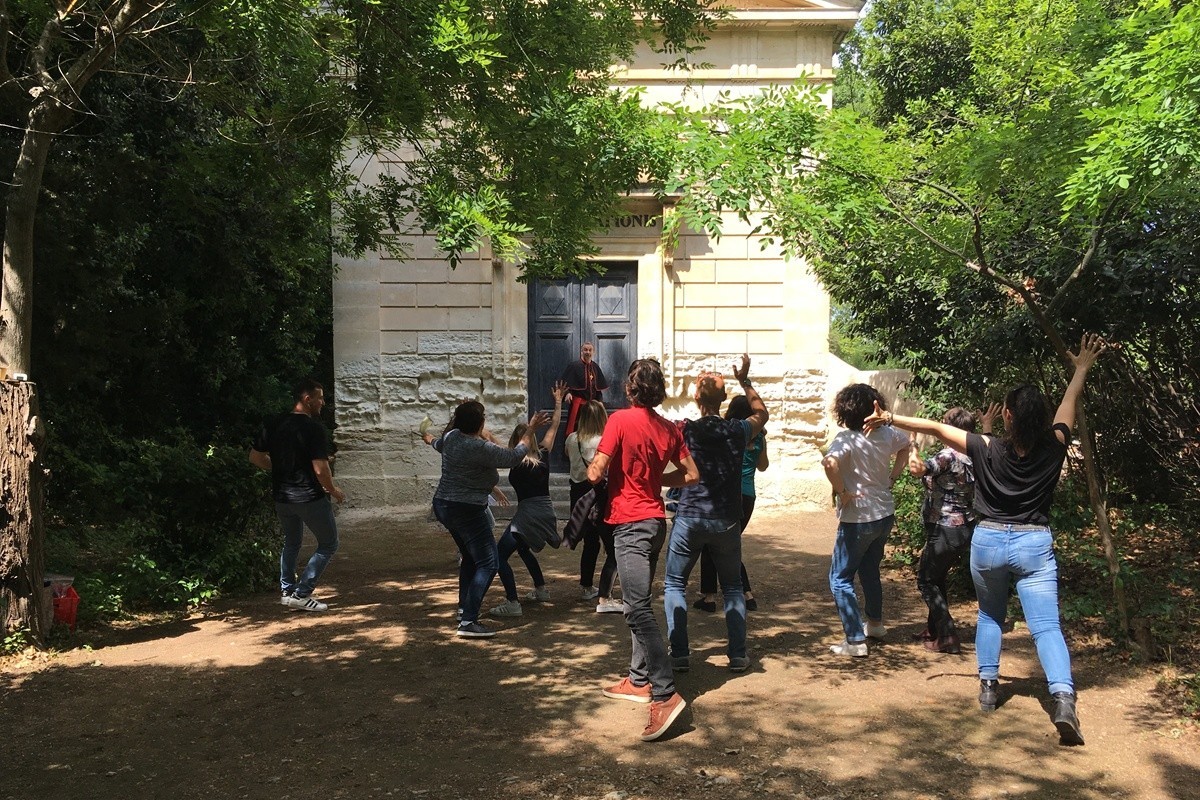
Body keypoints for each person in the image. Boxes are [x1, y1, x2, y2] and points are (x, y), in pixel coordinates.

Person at [864, 333, 1107, 746]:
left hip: (990, 541)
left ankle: (989, 689)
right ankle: (1063, 699)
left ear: (1008, 416)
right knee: (1046, 627)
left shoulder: (985, 447)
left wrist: (890, 419)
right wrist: (1081, 368)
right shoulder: (1057, 445)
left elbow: (937, 428)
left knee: (990, 616)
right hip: (1034, 543)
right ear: (1043, 419)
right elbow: (1069, 403)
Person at [587, 358, 699, 742]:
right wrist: (655, 477)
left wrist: (596, 465)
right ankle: (637, 681)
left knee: (636, 608)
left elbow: (595, 472)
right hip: (655, 524)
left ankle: (664, 694)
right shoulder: (670, 429)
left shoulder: (619, 420)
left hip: (630, 525)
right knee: (640, 601)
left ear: (629, 389)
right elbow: (691, 475)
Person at [664, 356, 769, 674]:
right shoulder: (737, 430)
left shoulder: (684, 430)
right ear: (724, 399)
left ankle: (680, 654)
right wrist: (746, 381)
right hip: (726, 518)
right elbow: (762, 414)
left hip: (690, 516)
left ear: (696, 397)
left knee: (674, 584)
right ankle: (737, 655)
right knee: (733, 587)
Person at [424, 400, 551, 638]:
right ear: (480, 424)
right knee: (489, 562)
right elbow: (514, 456)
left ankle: (464, 610)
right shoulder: (481, 448)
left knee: (472, 559)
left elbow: (437, 444)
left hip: (444, 506)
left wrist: (428, 438)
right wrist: (531, 429)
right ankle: (469, 621)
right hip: (468, 510)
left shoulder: (451, 437)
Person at [822, 384, 911, 657]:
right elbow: (908, 444)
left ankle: (855, 640)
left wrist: (842, 492)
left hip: (858, 517)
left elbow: (829, 464)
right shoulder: (888, 433)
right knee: (870, 570)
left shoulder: (846, 438)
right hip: (884, 512)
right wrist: (893, 476)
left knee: (840, 578)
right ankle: (875, 624)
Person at [250, 378, 346, 612]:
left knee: (291, 542)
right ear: (307, 399)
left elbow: (255, 457)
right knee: (329, 544)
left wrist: (281, 468)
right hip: (309, 497)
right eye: (320, 397)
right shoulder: (313, 428)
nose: (323, 402)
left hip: (282, 497)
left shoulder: (274, 423)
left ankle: (287, 591)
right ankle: (302, 594)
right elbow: (320, 469)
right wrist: (333, 490)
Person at [907, 406, 996, 653]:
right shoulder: (979, 452)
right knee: (937, 577)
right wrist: (987, 425)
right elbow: (988, 442)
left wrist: (912, 443)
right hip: (965, 527)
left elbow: (916, 470)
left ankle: (947, 635)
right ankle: (934, 628)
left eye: (944, 422)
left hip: (944, 529)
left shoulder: (948, 456)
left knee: (926, 581)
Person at [490, 383, 566, 617]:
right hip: (546, 510)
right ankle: (541, 590)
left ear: (517, 441)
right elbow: (554, 425)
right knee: (523, 549)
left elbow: (491, 441)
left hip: (528, 514)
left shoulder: (516, 460)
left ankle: (512, 602)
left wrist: (476, 424)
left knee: (499, 555)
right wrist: (558, 402)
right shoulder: (543, 453)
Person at [693, 394, 769, 614]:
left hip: (727, 494)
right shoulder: (758, 437)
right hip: (749, 496)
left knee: (716, 544)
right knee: (728, 543)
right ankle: (745, 595)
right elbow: (763, 466)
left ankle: (713, 597)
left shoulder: (728, 433)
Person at [566, 400, 621, 611]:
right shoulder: (603, 440)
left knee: (590, 543)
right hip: (599, 496)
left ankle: (587, 586)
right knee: (611, 545)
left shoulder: (572, 439)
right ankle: (606, 593)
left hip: (578, 496)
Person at [561, 342, 608, 434]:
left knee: (592, 431)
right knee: (575, 431)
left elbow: (598, 389)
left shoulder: (595, 367)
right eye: (585, 350)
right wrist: (567, 393)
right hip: (578, 407)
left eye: (590, 350)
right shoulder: (574, 366)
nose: (588, 352)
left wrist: (600, 402)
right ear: (581, 351)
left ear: (593, 352)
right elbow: (565, 383)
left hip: (592, 407)